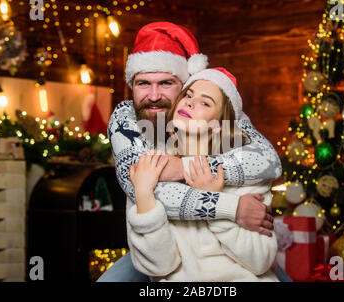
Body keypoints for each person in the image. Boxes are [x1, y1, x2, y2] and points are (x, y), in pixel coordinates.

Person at [98, 21, 289, 282]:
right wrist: (231, 208)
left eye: (166, 82)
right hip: (167, 257)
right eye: (143, 83)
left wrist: (185, 167)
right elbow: (146, 191)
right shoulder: (126, 116)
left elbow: (269, 161)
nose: (154, 95)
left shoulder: (227, 116)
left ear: (184, 84)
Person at [127, 67, 278, 281]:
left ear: (217, 126)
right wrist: (143, 195)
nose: (189, 103)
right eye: (188, 95)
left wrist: (215, 204)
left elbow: (261, 261)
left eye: (205, 102)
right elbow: (158, 266)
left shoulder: (243, 171)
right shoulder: (151, 166)